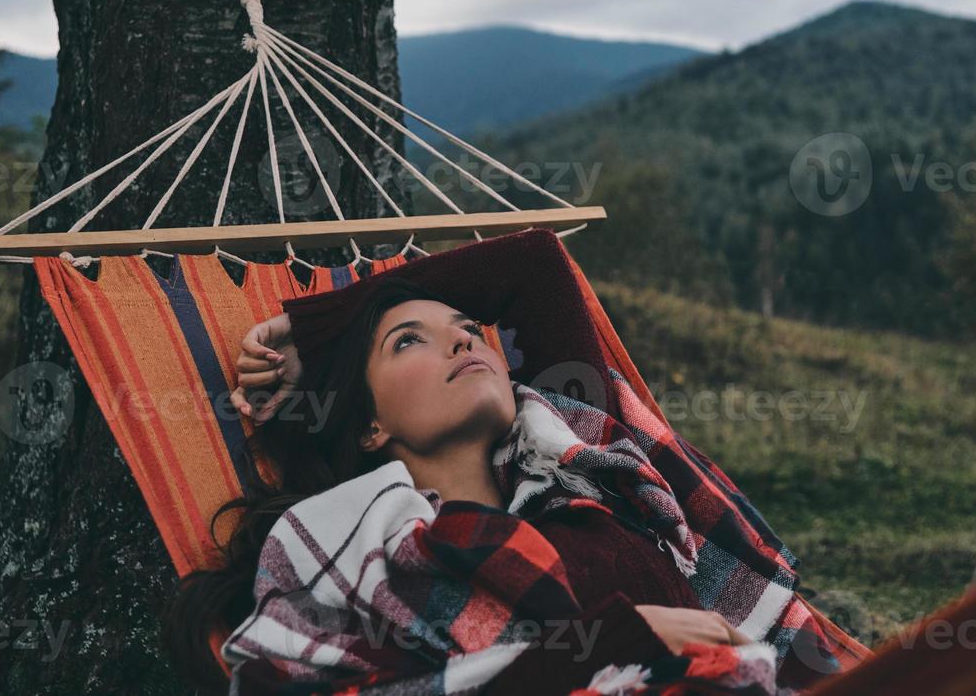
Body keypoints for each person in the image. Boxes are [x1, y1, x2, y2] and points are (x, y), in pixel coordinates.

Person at [165, 275, 821, 695]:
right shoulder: (358, 555)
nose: (462, 344)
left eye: (468, 330)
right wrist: (627, 636)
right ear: (368, 424)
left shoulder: (593, 478)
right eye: (408, 342)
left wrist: (322, 322)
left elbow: (534, 269)